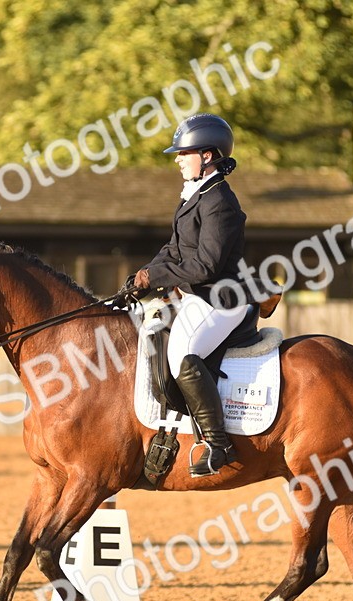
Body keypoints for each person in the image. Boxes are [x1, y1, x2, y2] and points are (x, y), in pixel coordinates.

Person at [133, 113, 250, 477]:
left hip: (221, 299)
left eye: (185, 153)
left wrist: (156, 276)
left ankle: (218, 444)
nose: (177, 159)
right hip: (197, 296)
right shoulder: (195, 197)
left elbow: (205, 267)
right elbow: (174, 249)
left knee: (183, 352)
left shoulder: (220, 203)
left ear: (209, 155)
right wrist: (141, 278)